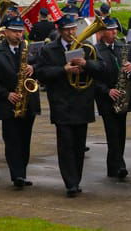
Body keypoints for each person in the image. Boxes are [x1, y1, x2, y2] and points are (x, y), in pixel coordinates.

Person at [35, 14, 105, 197]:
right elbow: (41, 73)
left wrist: (87, 64)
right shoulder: (49, 49)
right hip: (62, 103)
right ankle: (70, 183)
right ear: (59, 31)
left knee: (79, 145)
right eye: (67, 30)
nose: (71, 33)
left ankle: (76, 179)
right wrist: (63, 70)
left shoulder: (87, 48)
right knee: (66, 145)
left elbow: (102, 69)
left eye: (73, 29)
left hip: (82, 103)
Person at [0, 16, 40, 188]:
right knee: (12, 140)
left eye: (20, 31)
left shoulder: (28, 49)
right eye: (15, 31)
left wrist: (33, 68)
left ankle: (22, 171)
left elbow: (43, 65)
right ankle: (17, 175)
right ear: (5, 32)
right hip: (8, 104)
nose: (18, 35)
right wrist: (6, 94)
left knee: (25, 140)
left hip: (28, 101)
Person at [94, 17, 131, 179]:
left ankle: (114, 166)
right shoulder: (96, 50)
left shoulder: (122, 46)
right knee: (112, 133)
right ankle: (119, 164)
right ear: (102, 32)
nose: (114, 32)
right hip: (106, 98)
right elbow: (93, 77)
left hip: (121, 96)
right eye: (110, 30)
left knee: (121, 132)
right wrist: (106, 90)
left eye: (115, 29)